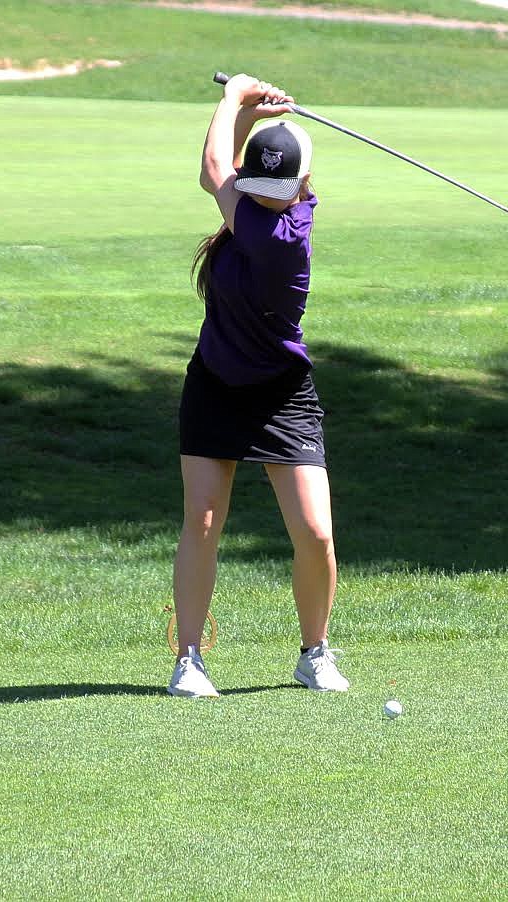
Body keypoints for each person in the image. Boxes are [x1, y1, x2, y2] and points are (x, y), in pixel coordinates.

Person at [168, 74, 349, 698]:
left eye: (278, 189)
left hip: (280, 393)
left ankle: (315, 652)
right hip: (215, 383)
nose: (268, 196)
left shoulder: (283, 237)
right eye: (260, 187)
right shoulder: (252, 207)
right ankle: (188, 660)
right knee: (203, 520)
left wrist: (231, 98)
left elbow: (214, 166)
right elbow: (233, 167)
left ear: (302, 187)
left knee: (316, 533)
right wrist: (251, 113)